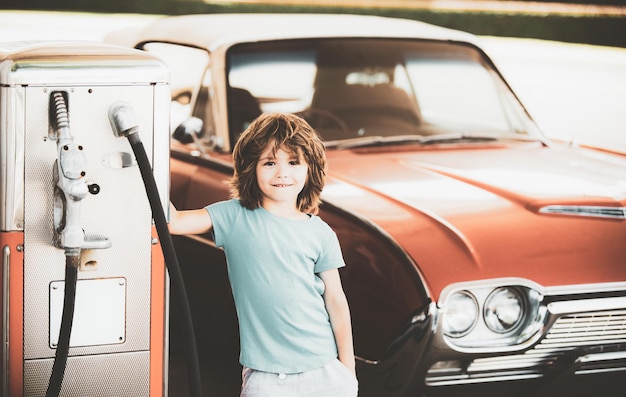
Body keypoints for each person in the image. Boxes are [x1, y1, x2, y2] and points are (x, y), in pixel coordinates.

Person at [169, 112, 358, 396]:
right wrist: (146, 161)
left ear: (310, 170)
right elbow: (173, 222)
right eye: (270, 162)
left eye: (293, 162)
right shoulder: (234, 216)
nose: (282, 172)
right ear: (250, 168)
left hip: (325, 370)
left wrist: (347, 371)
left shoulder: (321, 233)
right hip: (268, 377)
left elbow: (336, 301)